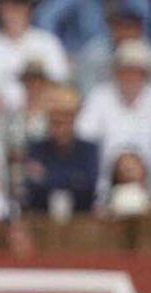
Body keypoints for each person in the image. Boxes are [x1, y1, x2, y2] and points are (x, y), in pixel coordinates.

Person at [76, 39, 151, 208]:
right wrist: (119, 167)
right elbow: (84, 142)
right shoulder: (99, 97)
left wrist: (142, 172)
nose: (130, 77)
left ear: (146, 75)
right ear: (116, 73)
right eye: (125, 70)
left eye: (136, 71)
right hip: (104, 190)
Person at [22, 87, 99, 215]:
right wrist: (74, 180)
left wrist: (47, 177)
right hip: (42, 219)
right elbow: (32, 189)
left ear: (73, 122)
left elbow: (89, 187)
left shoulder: (88, 150)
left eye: (66, 123)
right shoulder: (36, 149)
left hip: (81, 219)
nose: (61, 129)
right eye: (56, 123)